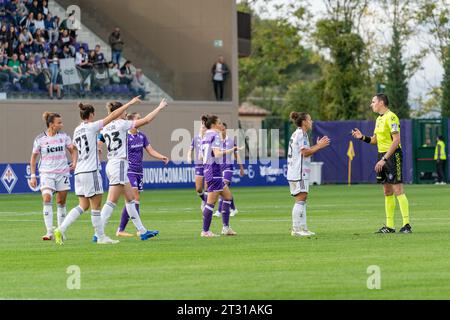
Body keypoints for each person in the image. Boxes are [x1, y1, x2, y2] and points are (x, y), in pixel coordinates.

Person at [54, 97, 143, 245]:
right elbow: (113, 116)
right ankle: (100, 237)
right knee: (96, 206)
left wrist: (95, 149)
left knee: (83, 205)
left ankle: (61, 229)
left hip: (79, 172)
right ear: (92, 115)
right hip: (90, 171)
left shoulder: (77, 130)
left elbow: (76, 147)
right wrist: (130, 103)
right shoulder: (92, 126)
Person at [96, 98, 169, 243]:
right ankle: (98, 233)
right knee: (111, 201)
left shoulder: (105, 127)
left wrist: (98, 150)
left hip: (111, 164)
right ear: (119, 112)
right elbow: (147, 120)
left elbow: (98, 142)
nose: (125, 114)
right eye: (123, 111)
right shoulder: (123, 124)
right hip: (120, 164)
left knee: (131, 199)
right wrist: (159, 107)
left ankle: (142, 231)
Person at [352, 93, 412, 234]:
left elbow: (396, 141)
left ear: (381, 102)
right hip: (382, 155)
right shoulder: (378, 119)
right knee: (387, 191)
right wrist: (362, 138)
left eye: (373, 102)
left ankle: (407, 225)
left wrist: (384, 159)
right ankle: (390, 226)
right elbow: (375, 140)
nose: (371, 104)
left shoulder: (391, 117)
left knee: (398, 190)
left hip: (392, 155)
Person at [114, 113, 170, 237]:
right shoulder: (124, 136)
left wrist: (162, 157)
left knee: (131, 201)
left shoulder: (141, 136)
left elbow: (150, 150)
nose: (140, 120)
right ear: (131, 121)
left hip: (139, 171)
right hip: (129, 170)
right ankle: (139, 229)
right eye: (138, 118)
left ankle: (120, 230)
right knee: (135, 198)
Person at [30, 112, 77, 241]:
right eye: (59, 123)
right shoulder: (40, 139)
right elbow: (33, 158)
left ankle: (60, 231)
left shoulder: (64, 137)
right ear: (51, 124)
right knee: (46, 198)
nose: (61, 125)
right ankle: (49, 231)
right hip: (46, 173)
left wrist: (74, 162)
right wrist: (33, 176)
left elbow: (73, 150)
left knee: (61, 202)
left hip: (62, 173)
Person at [287, 112, 330, 237]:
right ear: (304, 121)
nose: (312, 122)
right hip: (298, 171)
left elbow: (305, 151)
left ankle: (303, 228)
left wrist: (316, 146)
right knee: (301, 198)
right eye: (310, 120)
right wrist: (319, 146)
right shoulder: (300, 133)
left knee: (303, 198)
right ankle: (296, 229)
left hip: (296, 171)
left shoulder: (300, 133)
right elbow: (305, 153)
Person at [200, 114, 243, 237]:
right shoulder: (215, 135)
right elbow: (218, 154)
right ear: (213, 125)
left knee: (228, 197)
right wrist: (232, 149)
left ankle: (226, 228)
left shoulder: (205, 135)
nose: (221, 125)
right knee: (211, 203)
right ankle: (205, 231)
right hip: (214, 171)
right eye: (219, 123)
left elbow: (202, 155)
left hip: (210, 169)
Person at [214, 123, 245, 217]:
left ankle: (219, 211)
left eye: (223, 129)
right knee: (225, 190)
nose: (222, 130)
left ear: (226, 129)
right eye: (220, 129)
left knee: (223, 186)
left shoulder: (231, 141)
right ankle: (234, 209)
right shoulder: (216, 142)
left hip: (228, 167)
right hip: (219, 168)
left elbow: (236, 155)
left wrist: (241, 167)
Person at [187, 121, 207, 211]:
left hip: (208, 165)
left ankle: (207, 204)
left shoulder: (209, 138)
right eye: (203, 127)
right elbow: (190, 149)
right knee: (198, 188)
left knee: (207, 188)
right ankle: (204, 200)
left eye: (205, 127)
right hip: (199, 165)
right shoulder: (195, 138)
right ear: (200, 128)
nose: (204, 129)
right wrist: (188, 156)